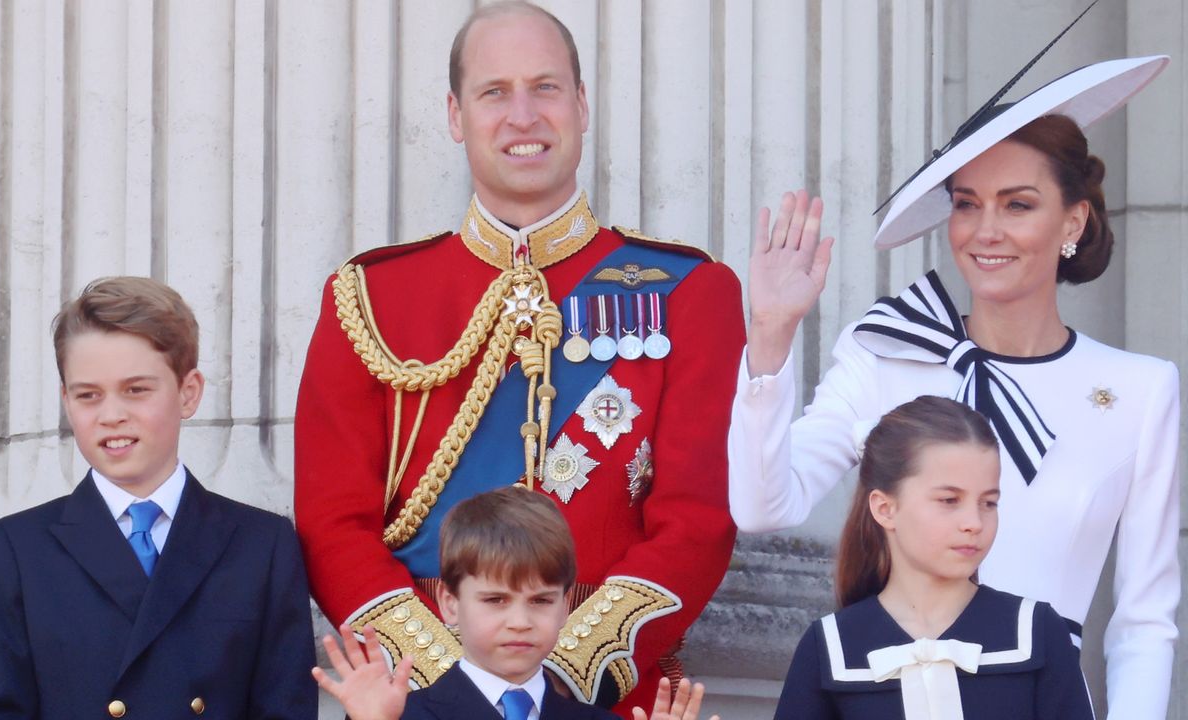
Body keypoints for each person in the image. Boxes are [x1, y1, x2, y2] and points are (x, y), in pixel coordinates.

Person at [294, 1, 743, 712]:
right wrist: (458, 686)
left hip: (605, 701)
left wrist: (555, 678)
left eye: (546, 87)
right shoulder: (371, 298)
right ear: (455, 115)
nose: (523, 115)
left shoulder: (691, 292)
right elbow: (332, 524)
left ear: (582, 105)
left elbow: (697, 521)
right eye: (494, 92)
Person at [729, 55, 1178, 717]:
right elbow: (761, 507)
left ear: (1073, 223)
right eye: (968, 205)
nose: (985, 231)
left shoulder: (1139, 391)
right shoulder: (886, 353)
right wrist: (770, 335)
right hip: (885, 691)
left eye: (1017, 204)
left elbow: (1144, 622)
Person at [0, 277, 317, 719]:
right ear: (66, 401)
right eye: (88, 395)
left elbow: (285, 710)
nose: (111, 415)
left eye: (136, 390)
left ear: (189, 392)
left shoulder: (262, 545)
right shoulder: (18, 548)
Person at [774, 396, 1092, 719]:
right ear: (885, 509)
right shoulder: (830, 646)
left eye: (989, 503)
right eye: (949, 500)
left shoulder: (1036, 634)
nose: (974, 522)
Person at [312, 487, 716, 720]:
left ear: (564, 607)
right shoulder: (398, 714)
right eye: (495, 600)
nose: (520, 621)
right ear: (449, 604)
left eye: (540, 601)